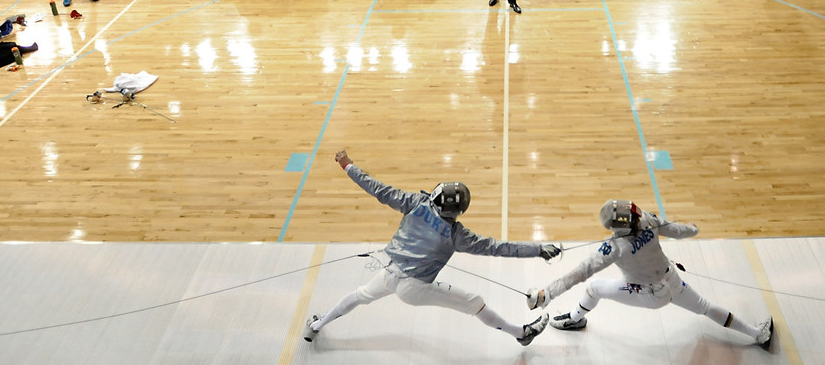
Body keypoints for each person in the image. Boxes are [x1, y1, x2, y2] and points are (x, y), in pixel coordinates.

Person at [303, 149, 557, 346]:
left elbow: (377, 189)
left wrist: (348, 165)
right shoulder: (458, 235)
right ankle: (522, 334)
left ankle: (315, 327)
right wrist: (537, 250)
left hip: (389, 272)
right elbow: (499, 248)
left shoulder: (415, 202)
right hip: (414, 289)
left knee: (359, 296)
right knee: (475, 302)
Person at [526, 199, 774, 350]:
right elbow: (676, 230)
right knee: (706, 307)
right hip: (673, 280)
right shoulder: (648, 220)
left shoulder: (614, 248)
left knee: (594, 288)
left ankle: (576, 318)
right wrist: (694, 230)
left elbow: (580, 273)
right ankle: (758, 334)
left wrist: (546, 293)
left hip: (649, 294)